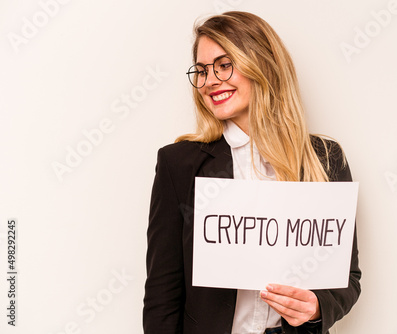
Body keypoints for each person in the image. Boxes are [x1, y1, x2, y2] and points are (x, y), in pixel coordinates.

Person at [143, 11, 361, 334]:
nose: (209, 81)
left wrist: (315, 307)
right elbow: (162, 299)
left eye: (224, 65)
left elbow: (348, 280)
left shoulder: (325, 160)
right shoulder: (179, 166)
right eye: (202, 71)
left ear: (261, 64)